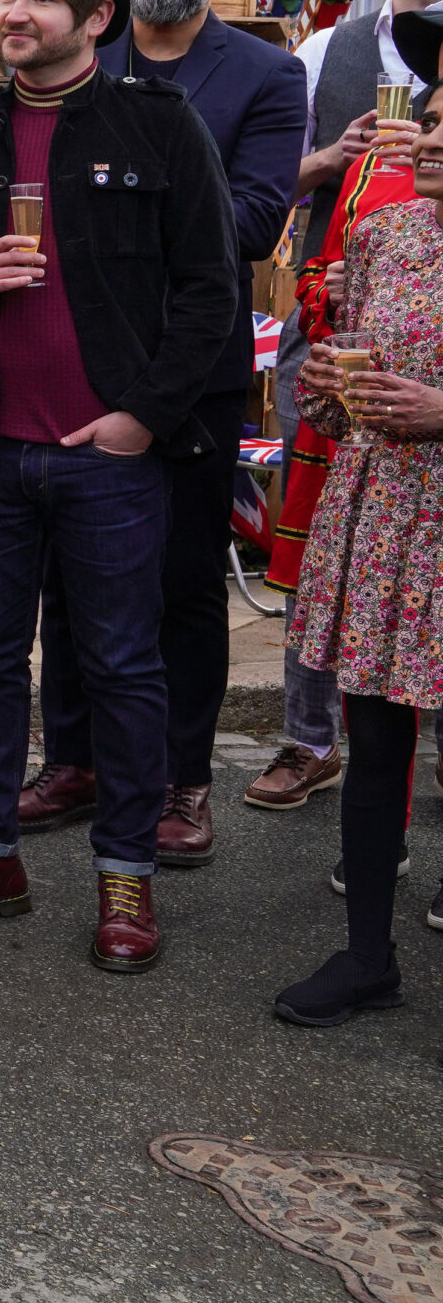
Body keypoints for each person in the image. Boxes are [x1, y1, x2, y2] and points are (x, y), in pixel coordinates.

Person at [0, 0, 238, 973]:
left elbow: (210, 292)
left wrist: (142, 419)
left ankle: (125, 875)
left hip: (107, 456)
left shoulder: (158, 126)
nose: (13, 13)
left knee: (124, 665)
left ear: (97, 18)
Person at [23, 0, 307, 864]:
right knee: (69, 577)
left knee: (182, 585)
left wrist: (107, 217)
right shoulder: (79, 59)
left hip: (193, 373)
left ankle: (183, 783)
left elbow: (251, 222)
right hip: (73, 359)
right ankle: (74, 759)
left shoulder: (265, 77)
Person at [250, 0, 443, 810]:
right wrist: (332, 155)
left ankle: (425, 763)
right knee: (318, 527)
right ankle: (307, 734)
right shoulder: (333, 47)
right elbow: (267, 186)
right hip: (334, 320)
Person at [271, 77, 443, 1030]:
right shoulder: (386, 234)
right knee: (375, 738)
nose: (428, 139)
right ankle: (368, 954)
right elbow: (348, 393)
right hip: (384, 512)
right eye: (432, 118)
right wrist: (337, 380)